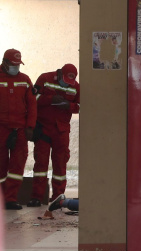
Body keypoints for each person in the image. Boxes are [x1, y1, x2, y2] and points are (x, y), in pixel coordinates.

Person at [27, 64, 80, 207]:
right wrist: (51, 99)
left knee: (60, 165)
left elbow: (81, 106)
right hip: (43, 128)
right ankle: (37, 197)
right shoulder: (45, 78)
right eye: (65, 80)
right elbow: (34, 98)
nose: (67, 84)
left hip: (61, 131)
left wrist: (68, 106)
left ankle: (58, 197)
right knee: (41, 164)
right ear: (60, 73)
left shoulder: (76, 87)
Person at [0, 49, 37, 210]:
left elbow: (32, 105)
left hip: (20, 129)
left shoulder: (25, 79)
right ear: (5, 62)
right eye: (13, 64)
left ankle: (10, 199)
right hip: (1, 128)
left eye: (18, 65)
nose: (16, 68)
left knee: (17, 166)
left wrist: (30, 126)